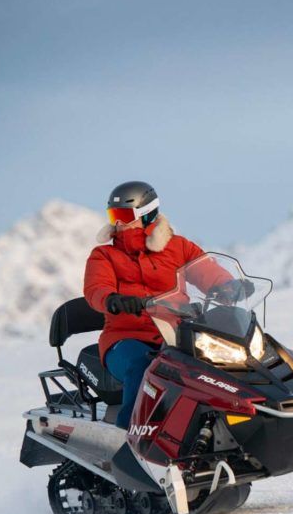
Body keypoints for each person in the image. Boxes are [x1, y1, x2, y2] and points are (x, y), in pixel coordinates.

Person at [82, 181, 208, 429]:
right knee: (143, 365)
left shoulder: (179, 247)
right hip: (124, 338)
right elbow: (95, 288)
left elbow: (206, 271)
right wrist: (113, 300)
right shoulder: (104, 255)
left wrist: (228, 286)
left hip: (177, 336)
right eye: (114, 216)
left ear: (147, 214)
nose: (119, 222)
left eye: (125, 215)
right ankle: (130, 433)